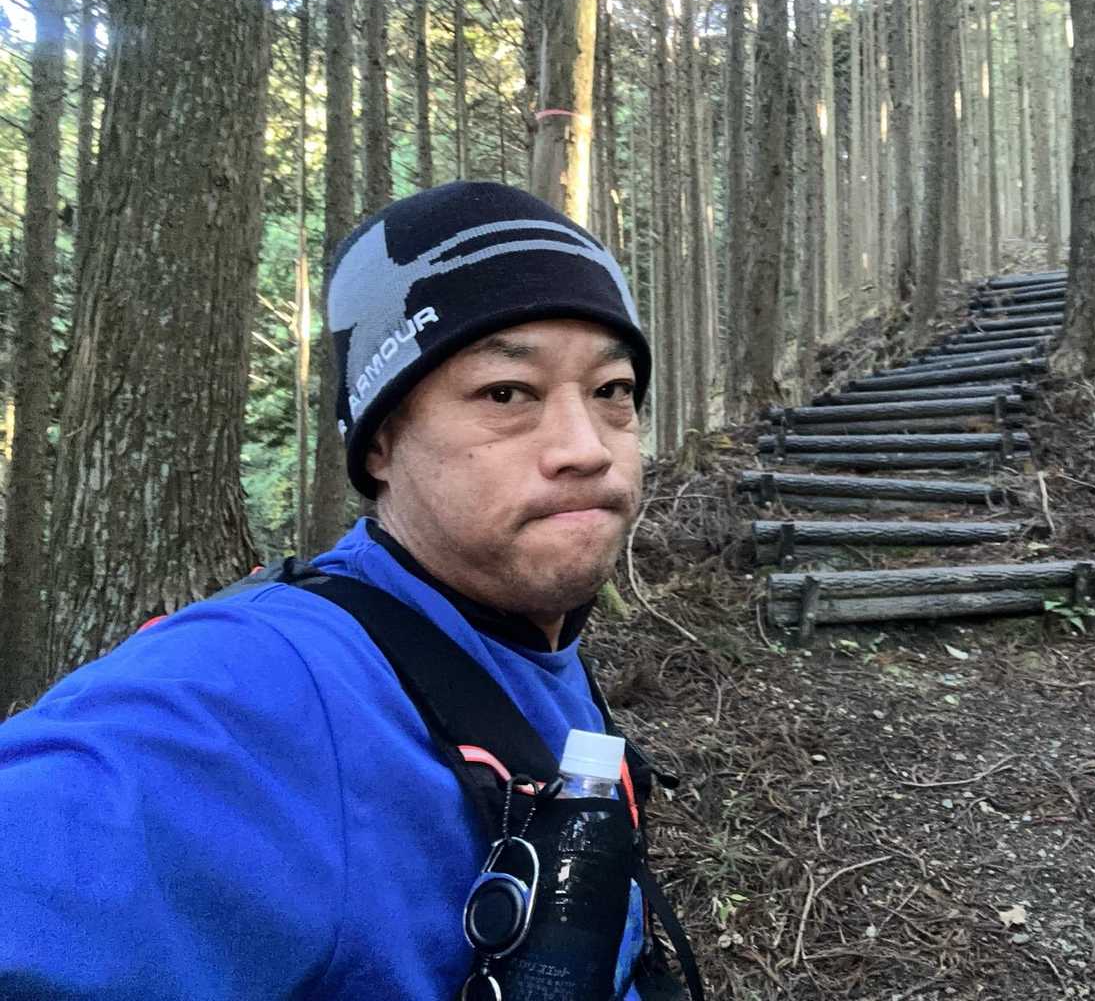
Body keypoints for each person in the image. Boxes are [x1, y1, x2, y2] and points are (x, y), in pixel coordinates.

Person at [0, 182, 690, 999]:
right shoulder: (257, 685)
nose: (587, 447)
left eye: (612, 391)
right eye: (507, 393)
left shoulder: (528, 642)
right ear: (380, 444)